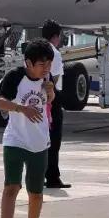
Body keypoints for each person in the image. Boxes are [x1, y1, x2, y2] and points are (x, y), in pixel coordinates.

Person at [0, 39, 56, 218]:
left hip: (39, 142)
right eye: (41, 64)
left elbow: (50, 101)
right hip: (15, 139)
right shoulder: (15, 77)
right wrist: (21, 109)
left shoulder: (46, 79)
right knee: (12, 187)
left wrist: (51, 91)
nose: (46, 68)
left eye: (49, 64)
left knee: (36, 193)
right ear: (28, 63)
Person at [42, 20, 70, 189]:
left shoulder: (35, 51)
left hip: (37, 97)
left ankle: (40, 172)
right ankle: (53, 176)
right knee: (54, 139)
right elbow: (55, 78)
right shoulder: (54, 53)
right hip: (52, 97)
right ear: (55, 36)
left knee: (41, 138)